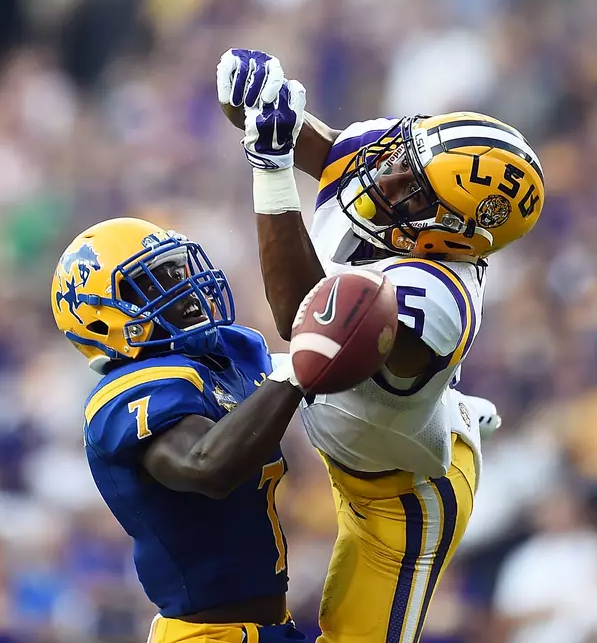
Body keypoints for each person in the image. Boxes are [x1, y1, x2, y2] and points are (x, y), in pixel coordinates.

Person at [216, 48, 545, 643]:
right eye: (404, 158)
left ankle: (453, 423)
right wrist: (255, 100)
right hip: (359, 438)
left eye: (415, 193)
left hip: (402, 502)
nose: (385, 177)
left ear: (456, 238)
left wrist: (269, 169)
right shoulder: (394, 161)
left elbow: (305, 324)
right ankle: (454, 412)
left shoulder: (439, 297)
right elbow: (312, 146)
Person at [51, 216, 308, 643]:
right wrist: (302, 368)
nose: (181, 284)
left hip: (273, 628)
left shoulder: (226, 356)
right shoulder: (129, 390)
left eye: (176, 269)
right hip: (204, 636)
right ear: (100, 320)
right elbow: (206, 465)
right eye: (152, 281)